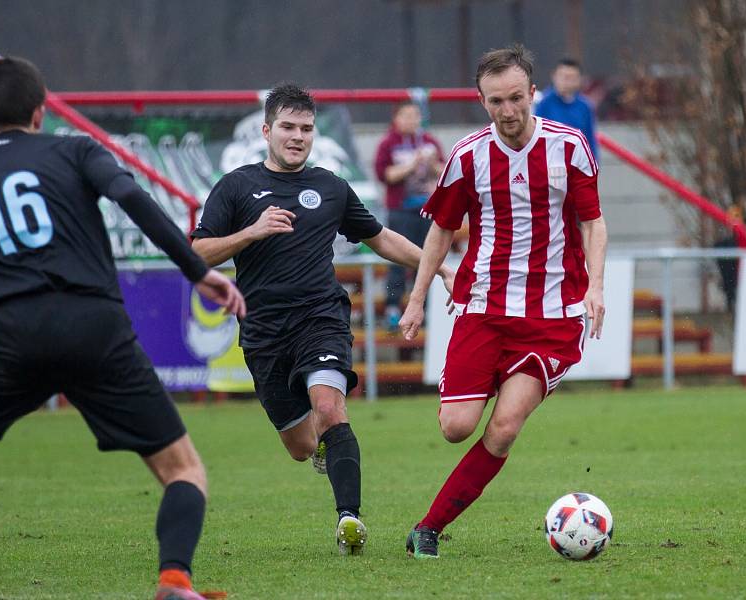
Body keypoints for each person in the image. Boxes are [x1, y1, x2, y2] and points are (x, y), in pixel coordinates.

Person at [0, 57, 245, 600]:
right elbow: (133, 198)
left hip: (9, 333)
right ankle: (175, 581)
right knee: (183, 470)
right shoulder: (75, 150)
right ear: (41, 113)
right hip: (94, 327)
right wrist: (199, 272)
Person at [191, 83, 453, 556]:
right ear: (267, 131)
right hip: (264, 332)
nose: (298, 137)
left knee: (331, 407)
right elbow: (198, 253)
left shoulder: (329, 187)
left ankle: (348, 519)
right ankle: (323, 448)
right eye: (288, 127)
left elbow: (380, 237)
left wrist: (439, 268)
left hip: (321, 316)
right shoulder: (236, 186)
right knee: (301, 445)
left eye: (306, 129)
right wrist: (251, 232)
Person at [400, 44, 607, 558]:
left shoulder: (570, 146)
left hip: (552, 317)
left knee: (504, 426)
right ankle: (486, 378)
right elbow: (443, 230)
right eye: (496, 101)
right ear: (481, 100)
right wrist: (417, 297)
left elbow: (592, 222)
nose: (508, 110)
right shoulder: (468, 155)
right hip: (485, 310)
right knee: (456, 427)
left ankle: (428, 528)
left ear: (533, 93)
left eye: (517, 97)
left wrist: (596, 288)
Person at [374, 101, 445, 332]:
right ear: (396, 118)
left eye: (415, 115)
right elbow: (385, 175)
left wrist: (431, 163)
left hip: (427, 210)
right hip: (400, 211)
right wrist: (412, 164)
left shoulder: (430, 142)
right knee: (398, 261)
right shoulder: (388, 143)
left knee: (426, 260)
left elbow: (446, 172)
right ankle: (393, 308)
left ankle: (424, 309)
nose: (411, 120)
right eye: (406, 115)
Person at [535, 57, 599, 162]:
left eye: (572, 78)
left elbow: (590, 139)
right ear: (554, 76)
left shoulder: (585, 107)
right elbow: (536, 138)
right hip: (550, 163)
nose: (567, 82)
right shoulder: (544, 103)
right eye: (564, 77)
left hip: (577, 164)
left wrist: (593, 164)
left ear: (579, 80)